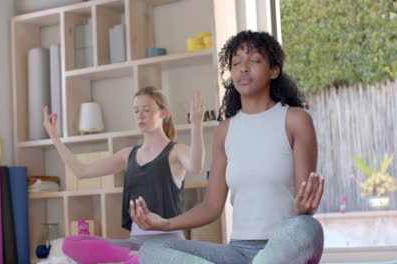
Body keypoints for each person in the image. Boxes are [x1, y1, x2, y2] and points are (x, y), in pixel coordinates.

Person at [131, 30, 325, 264]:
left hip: (283, 246)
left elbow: (305, 203)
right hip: (238, 252)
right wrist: (166, 223)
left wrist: (304, 209)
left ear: (274, 70)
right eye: (236, 63)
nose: (243, 68)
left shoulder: (295, 120)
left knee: (306, 227)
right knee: (151, 250)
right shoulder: (226, 130)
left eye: (254, 60)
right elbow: (212, 205)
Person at [42, 86, 206, 262]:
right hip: (135, 243)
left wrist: (196, 125)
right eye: (136, 110)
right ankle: (134, 256)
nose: (140, 115)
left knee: (138, 261)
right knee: (70, 243)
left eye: (147, 109)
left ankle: (140, 258)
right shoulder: (128, 155)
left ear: (163, 113)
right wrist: (54, 137)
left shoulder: (175, 152)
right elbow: (81, 171)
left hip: (168, 243)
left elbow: (196, 166)